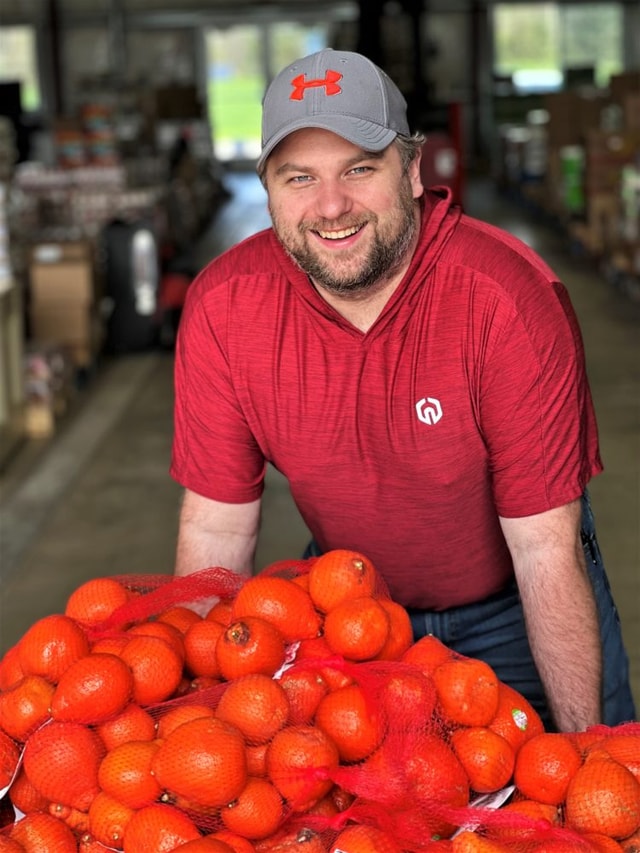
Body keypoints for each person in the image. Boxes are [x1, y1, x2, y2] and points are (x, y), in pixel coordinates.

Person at [170, 48, 636, 732]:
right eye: (299, 177)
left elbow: (545, 549)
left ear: (414, 169)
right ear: (265, 185)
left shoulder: (506, 299)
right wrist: (198, 725)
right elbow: (215, 526)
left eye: (359, 168)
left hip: (512, 600)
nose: (331, 206)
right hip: (345, 616)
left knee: (581, 801)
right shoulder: (224, 307)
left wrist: (583, 750)